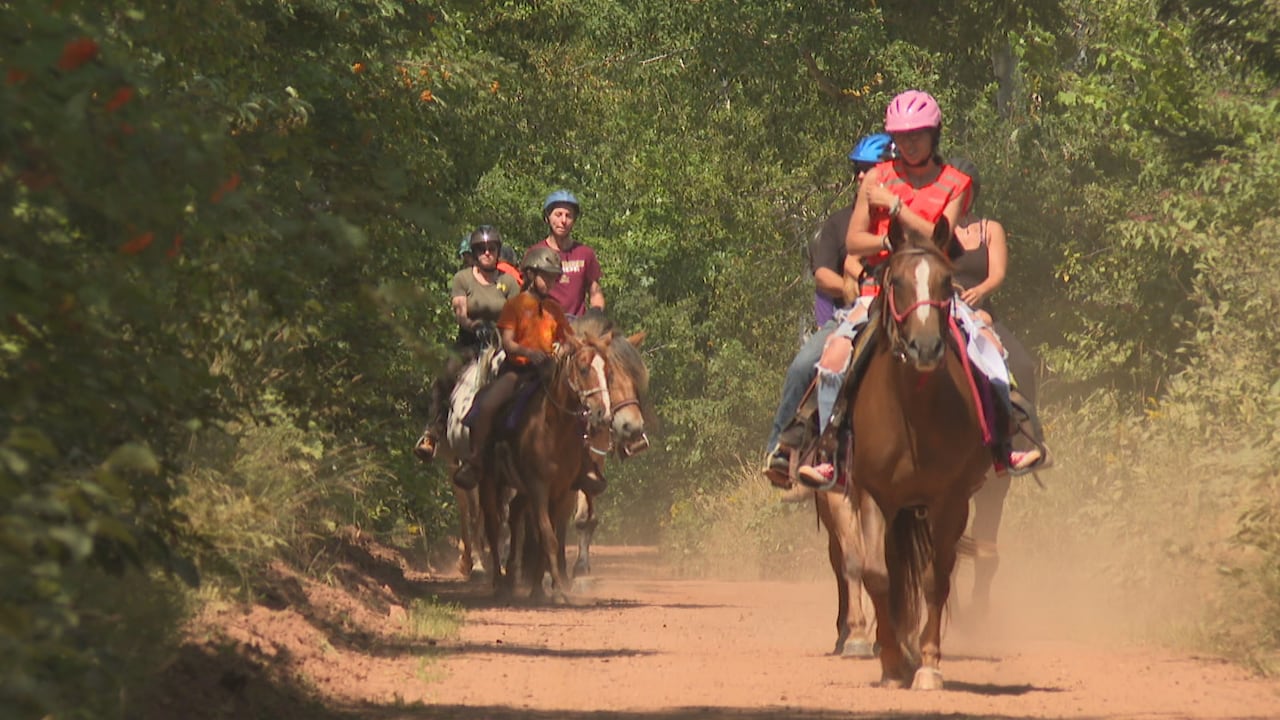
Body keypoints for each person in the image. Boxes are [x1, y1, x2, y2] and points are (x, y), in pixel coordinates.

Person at [790, 90, 1041, 488]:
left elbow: (942, 238)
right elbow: (854, 241)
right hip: (883, 289)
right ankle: (822, 447)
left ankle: (1011, 438)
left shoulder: (955, 183)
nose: (909, 143)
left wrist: (894, 209)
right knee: (831, 356)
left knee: (989, 350)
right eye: (902, 136)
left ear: (934, 135)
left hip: (939, 290)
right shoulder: (876, 178)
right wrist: (888, 243)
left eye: (918, 135)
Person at [763, 132, 895, 488]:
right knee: (803, 366)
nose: (859, 178)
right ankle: (781, 448)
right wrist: (847, 286)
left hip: (904, 309)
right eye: (857, 169)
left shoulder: (905, 216)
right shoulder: (839, 223)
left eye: (868, 169)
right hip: (850, 315)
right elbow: (822, 274)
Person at [947, 157, 1049, 469]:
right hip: (945, 310)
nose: (958, 198)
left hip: (981, 314)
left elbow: (998, 273)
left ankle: (1027, 439)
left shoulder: (990, 229)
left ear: (974, 193)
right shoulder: (936, 231)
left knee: (1022, 364)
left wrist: (981, 292)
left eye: (964, 191)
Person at [463, 246, 573, 489]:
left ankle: (584, 464)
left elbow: (569, 341)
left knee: (581, 403)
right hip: (518, 372)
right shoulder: (514, 305)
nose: (552, 282)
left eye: (555, 277)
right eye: (547, 275)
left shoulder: (555, 310)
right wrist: (529, 353)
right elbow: (509, 343)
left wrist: (561, 351)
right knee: (487, 403)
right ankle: (476, 460)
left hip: (548, 372)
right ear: (532, 275)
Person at [418, 227, 520, 462]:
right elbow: (461, 312)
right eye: (482, 249)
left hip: (502, 343)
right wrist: (474, 326)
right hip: (470, 342)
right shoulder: (463, 278)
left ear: (498, 252)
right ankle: (432, 433)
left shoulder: (509, 282)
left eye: (491, 249)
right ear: (474, 253)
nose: (487, 253)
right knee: (445, 374)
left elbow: (517, 314)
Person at [525, 190, 604, 317]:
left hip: (577, 328)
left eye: (568, 215)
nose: (563, 220)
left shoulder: (585, 253)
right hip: (544, 326)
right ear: (547, 217)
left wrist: (596, 315)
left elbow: (595, 292)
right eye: (558, 214)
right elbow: (525, 292)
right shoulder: (535, 253)